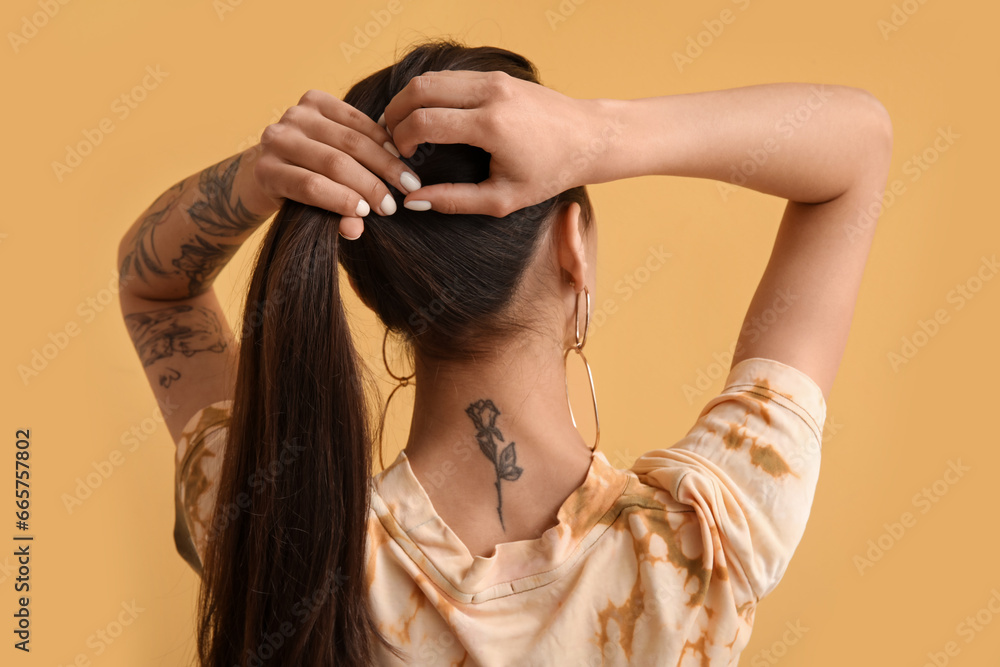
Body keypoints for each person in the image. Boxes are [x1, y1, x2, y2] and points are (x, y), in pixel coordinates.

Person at [116, 39, 892, 666]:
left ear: (376, 284)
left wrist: (261, 178)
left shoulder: (281, 536)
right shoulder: (702, 544)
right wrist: (599, 135)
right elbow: (858, 145)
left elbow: (156, 287)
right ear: (573, 245)